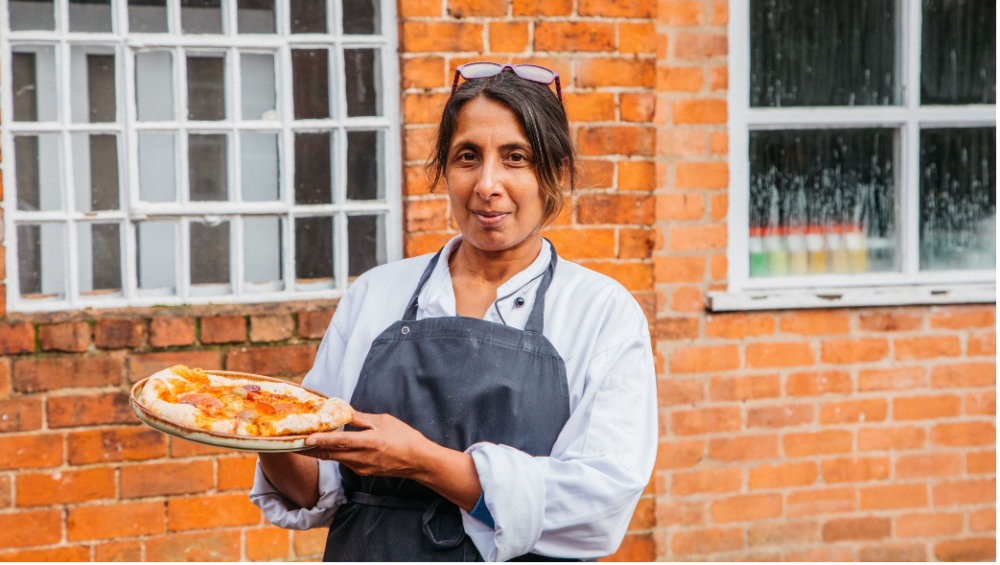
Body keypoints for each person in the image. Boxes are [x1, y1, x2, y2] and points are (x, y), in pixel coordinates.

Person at [249, 62, 657, 562]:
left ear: (554, 173)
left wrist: (423, 462)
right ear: (444, 168)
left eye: (516, 158)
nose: (487, 184)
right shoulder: (377, 293)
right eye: (468, 156)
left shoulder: (601, 311)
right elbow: (316, 489)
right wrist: (259, 429)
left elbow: (597, 503)